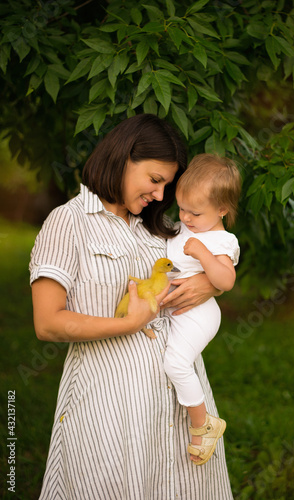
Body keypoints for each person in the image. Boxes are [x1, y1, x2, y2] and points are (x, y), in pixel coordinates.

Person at [30, 114, 234, 499]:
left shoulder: (162, 227)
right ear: (123, 158)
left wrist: (209, 283)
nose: (160, 195)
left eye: (167, 186)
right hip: (111, 408)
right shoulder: (69, 222)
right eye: (155, 180)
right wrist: (129, 323)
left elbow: (218, 254)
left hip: (177, 412)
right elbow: (48, 323)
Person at [165, 154, 241, 465]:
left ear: (222, 210)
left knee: (176, 363)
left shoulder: (221, 240)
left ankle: (203, 425)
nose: (185, 217)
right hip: (179, 311)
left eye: (194, 212)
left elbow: (226, 280)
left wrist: (204, 254)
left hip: (199, 315)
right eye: (181, 208)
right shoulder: (189, 225)